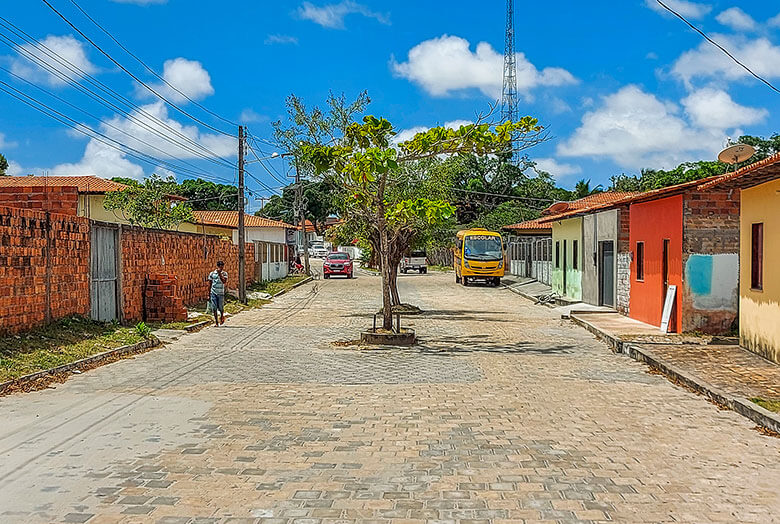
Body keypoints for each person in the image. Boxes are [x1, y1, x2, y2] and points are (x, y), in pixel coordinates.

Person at [207, 261, 228, 326]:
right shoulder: (212, 274)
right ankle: (216, 322)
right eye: (220, 266)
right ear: (218, 266)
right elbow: (209, 284)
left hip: (221, 293)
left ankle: (221, 316)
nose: (221, 268)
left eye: (222, 267)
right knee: (214, 308)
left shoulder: (224, 273)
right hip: (213, 292)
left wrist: (220, 274)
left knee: (221, 308)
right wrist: (208, 294)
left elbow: (224, 281)